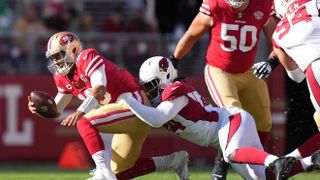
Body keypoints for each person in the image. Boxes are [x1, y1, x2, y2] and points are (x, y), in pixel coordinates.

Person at [119, 56, 320, 180]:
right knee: (265, 177)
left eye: (152, 84)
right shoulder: (167, 95)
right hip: (231, 125)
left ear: (164, 76)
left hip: (230, 120)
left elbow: (156, 119)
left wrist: (127, 99)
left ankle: (275, 160)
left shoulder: (174, 89)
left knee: (231, 153)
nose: (149, 90)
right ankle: (312, 159)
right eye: (146, 86)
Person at [28, 32, 189, 180]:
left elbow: (100, 88)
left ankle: (101, 171)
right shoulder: (62, 77)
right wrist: (42, 110)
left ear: (73, 49)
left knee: (85, 122)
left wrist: (80, 111)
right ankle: (174, 161)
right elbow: (56, 110)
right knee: (120, 172)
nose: (56, 62)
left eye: (59, 56)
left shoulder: (87, 57)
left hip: (134, 105)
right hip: (124, 117)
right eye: (54, 58)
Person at [168, 0, 278, 179]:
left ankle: (259, 164)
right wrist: (175, 59)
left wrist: (272, 62)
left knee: (263, 120)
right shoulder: (216, 4)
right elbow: (193, 33)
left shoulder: (263, 4)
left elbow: (278, 41)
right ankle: (220, 168)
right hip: (220, 71)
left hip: (247, 72)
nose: (237, 7)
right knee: (235, 115)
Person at [252, 0, 320, 174]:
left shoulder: (279, 34)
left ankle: (295, 163)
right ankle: (299, 162)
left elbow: (296, 76)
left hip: (314, 72)